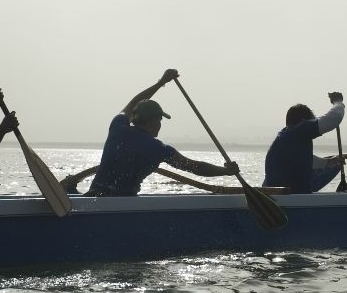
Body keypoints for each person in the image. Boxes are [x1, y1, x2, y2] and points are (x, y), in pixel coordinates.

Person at [87, 69, 239, 197]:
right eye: (160, 120)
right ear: (153, 121)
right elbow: (195, 167)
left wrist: (160, 83)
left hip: (93, 196)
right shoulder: (159, 149)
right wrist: (226, 171)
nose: (160, 124)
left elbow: (134, 102)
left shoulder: (117, 128)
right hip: (124, 203)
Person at [262, 92, 346, 194]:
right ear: (303, 121)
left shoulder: (284, 138)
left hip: (275, 195)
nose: (312, 124)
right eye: (312, 122)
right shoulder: (299, 130)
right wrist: (338, 102)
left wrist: (328, 162)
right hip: (289, 197)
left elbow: (302, 160)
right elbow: (335, 117)